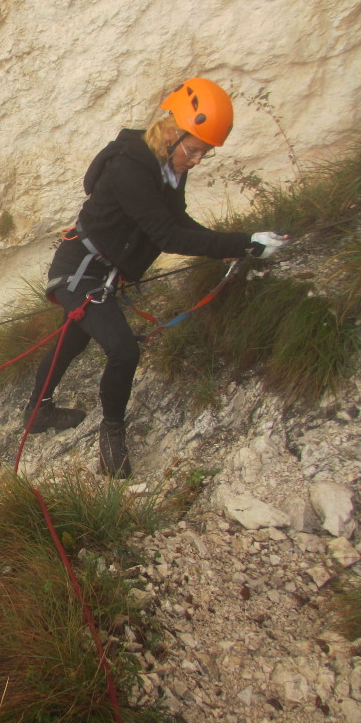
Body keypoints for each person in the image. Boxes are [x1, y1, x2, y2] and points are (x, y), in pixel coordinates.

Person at [22, 77, 288, 477]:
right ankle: (112, 433)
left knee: (73, 339)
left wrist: (232, 245)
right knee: (124, 350)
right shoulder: (132, 168)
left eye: (204, 153)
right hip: (80, 270)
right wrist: (244, 242)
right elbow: (166, 235)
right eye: (194, 149)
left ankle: (36, 413)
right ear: (172, 130)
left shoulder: (170, 165)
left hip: (100, 270)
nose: (196, 160)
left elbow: (176, 218)